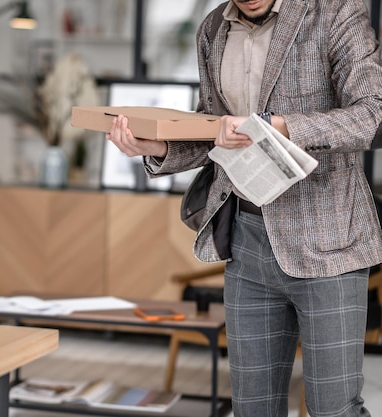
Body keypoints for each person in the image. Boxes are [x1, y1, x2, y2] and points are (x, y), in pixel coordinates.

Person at [106, 0, 382, 416]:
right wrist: (158, 146)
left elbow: (371, 115)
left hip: (330, 245)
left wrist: (277, 126)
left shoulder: (336, 12)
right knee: (253, 409)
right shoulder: (214, 28)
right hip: (246, 239)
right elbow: (213, 130)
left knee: (334, 410)